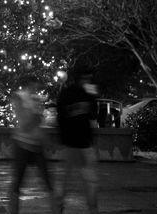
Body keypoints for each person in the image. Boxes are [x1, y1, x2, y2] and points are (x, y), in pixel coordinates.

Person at [8, 75, 60, 214]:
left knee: (48, 182)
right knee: (17, 183)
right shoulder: (18, 97)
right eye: (34, 85)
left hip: (37, 147)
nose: (36, 89)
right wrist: (35, 115)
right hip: (22, 145)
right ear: (28, 84)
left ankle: (57, 210)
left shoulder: (36, 100)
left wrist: (47, 142)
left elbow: (39, 126)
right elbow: (24, 124)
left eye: (36, 86)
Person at [56, 69, 99, 214]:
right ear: (79, 79)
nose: (87, 82)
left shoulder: (78, 93)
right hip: (78, 142)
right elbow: (61, 117)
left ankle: (61, 205)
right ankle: (62, 205)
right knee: (81, 179)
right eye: (86, 78)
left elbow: (93, 115)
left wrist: (93, 98)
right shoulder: (72, 94)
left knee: (73, 179)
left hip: (77, 142)